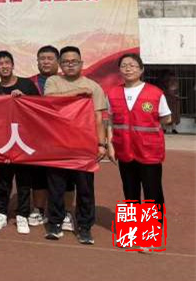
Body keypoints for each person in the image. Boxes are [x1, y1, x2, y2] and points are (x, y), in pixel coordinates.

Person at [43, 46, 108, 245]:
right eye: (66, 62)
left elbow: (98, 117)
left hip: (84, 145)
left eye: (74, 61)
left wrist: (101, 144)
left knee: (85, 188)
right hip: (58, 143)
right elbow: (49, 100)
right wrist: (78, 92)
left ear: (81, 64)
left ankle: (85, 227)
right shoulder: (53, 81)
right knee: (56, 187)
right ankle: (55, 223)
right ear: (60, 64)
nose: (70, 65)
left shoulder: (93, 87)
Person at [108, 53, 171, 206]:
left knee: (152, 193)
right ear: (119, 70)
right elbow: (110, 121)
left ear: (141, 70)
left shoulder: (155, 93)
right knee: (130, 193)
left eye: (132, 65)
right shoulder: (113, 93)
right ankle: (134, 221)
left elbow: (167, 118)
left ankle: (153, 221)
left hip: (149, 151)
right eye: (124, 66)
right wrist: (110, 145)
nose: (128, 69)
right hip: (124, 150)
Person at [0, 51, 40, 235]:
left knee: (24, 179)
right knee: (3, 178)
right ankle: (1, 213)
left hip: (24, 140)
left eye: (7, 62)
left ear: (12, 64)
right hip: (6, 141)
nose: (4, 66)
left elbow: (40, 109)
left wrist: (25, 99)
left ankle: (22, 215)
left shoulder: (27, 84)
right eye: (0, 63)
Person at [27, 45, 73, 228]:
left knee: (67, 177)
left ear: (58, 62)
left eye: (50, 58)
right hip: (37, 138)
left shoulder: (68, 81)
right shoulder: (29, 83)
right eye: (42, 58)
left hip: (63, 137)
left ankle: (67, 212)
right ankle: (38, 210)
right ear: (37, 62)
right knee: (38, 176)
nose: (45, 62)